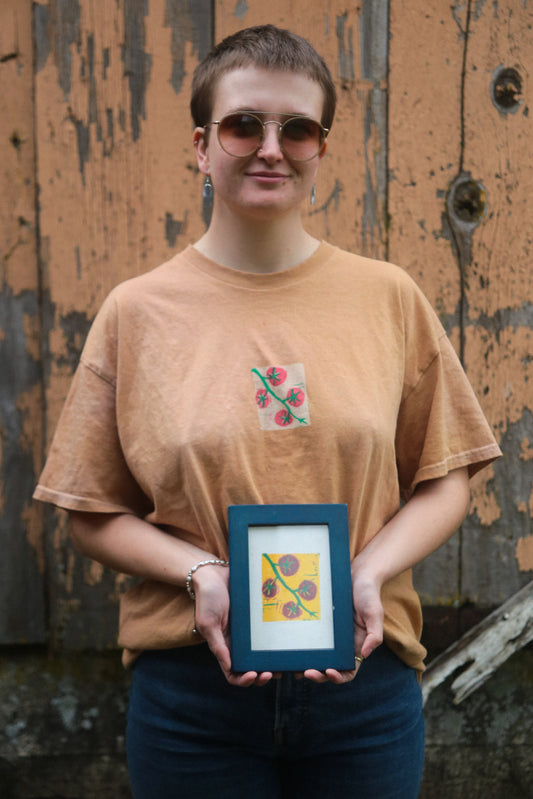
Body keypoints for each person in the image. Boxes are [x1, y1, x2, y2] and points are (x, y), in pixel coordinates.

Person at [34, 24, 501, 799]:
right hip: (191, 696)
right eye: (243, 123)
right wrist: (200, 573)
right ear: (200, 144)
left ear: (321, 147)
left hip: (365, 687)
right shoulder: (136, 313)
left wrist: (367, 572)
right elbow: (89, 508)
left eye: (298, 128)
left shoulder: (386, 298)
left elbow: (446, 476)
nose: (270, 147)